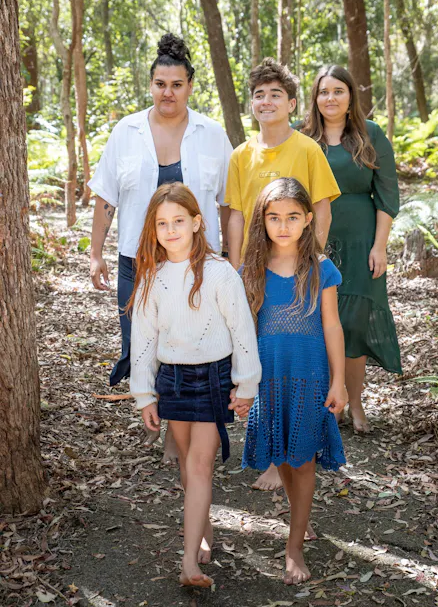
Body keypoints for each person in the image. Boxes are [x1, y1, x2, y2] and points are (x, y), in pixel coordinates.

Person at [88, 33, 233, 458]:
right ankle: (157, 411)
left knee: (187, 342)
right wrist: (95, 254)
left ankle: (177, 431)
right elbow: (106, 197)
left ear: (190, 86)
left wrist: (230, 256)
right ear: (150, 85)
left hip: (197, 263)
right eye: (160, 84)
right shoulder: (126, 131)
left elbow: (229, 202)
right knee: (141, 343)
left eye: (176, 84)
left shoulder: (211, 134)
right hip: (139, 260)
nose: (168, 92)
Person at [129, 183, 261, 588]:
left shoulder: (220, 273)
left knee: (201, 465)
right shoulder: (151, 278)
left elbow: (242, 331)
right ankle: (203, 530)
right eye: (162, 223)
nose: (171, 230)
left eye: (178, 221)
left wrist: (246, 384)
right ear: (153, 229)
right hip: (172, 379)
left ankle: (188, 563)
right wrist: (144, 394)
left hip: (213, 378)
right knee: (188, 467)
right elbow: (143, 340)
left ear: (197, 222)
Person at [225, 58, 340, 490]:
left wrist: (312, 257)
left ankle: (297, 449)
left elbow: (322, 208)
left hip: (300, 266)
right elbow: (236, 214)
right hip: (256, 269)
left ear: (292, 103)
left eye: (276, 94)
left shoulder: (307, 149)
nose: (267, 101)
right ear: (251, 104)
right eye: (259, 95)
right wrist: (236, 267)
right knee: (260, 347)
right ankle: (273, 452)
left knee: (298, 346)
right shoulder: (241, 155)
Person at [240, 177, 347, 585]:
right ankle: (301, 518)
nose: (283, 226)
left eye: (292, 217)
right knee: (283, 454)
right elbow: (242, 331)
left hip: (309, 376)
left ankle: (294, 546)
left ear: (307, 220)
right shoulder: (250, 270)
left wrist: (339, 381)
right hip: (268, 377)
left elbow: (332, 326)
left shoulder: (321, 269)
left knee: (302, 461)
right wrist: (240, 382)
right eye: (274, 217)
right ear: (262, 220)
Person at [301, 65, 401, 433]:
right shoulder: (302, 138)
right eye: (324, 91)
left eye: (338, 91)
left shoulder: (370, 134)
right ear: (315, 98)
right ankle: (329, 401)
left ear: (350, 97)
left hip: (361, 242)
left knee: (354, 325)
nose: (330, 98)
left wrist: (380, 247)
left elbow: (387, 195)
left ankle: (355, 402)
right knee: (319, 322)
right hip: (314, 242)